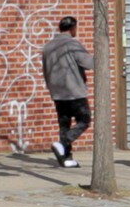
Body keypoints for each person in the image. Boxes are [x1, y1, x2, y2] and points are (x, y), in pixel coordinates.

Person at [40, 16, 93, 169]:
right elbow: (88, 63)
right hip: (74, 91)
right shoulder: (72, 44)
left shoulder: (48, 46)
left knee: (64, 125)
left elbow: (45, 70)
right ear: (73, 28)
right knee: (84, 120)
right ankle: (62, 144)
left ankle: (66, 158)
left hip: (57, 92)